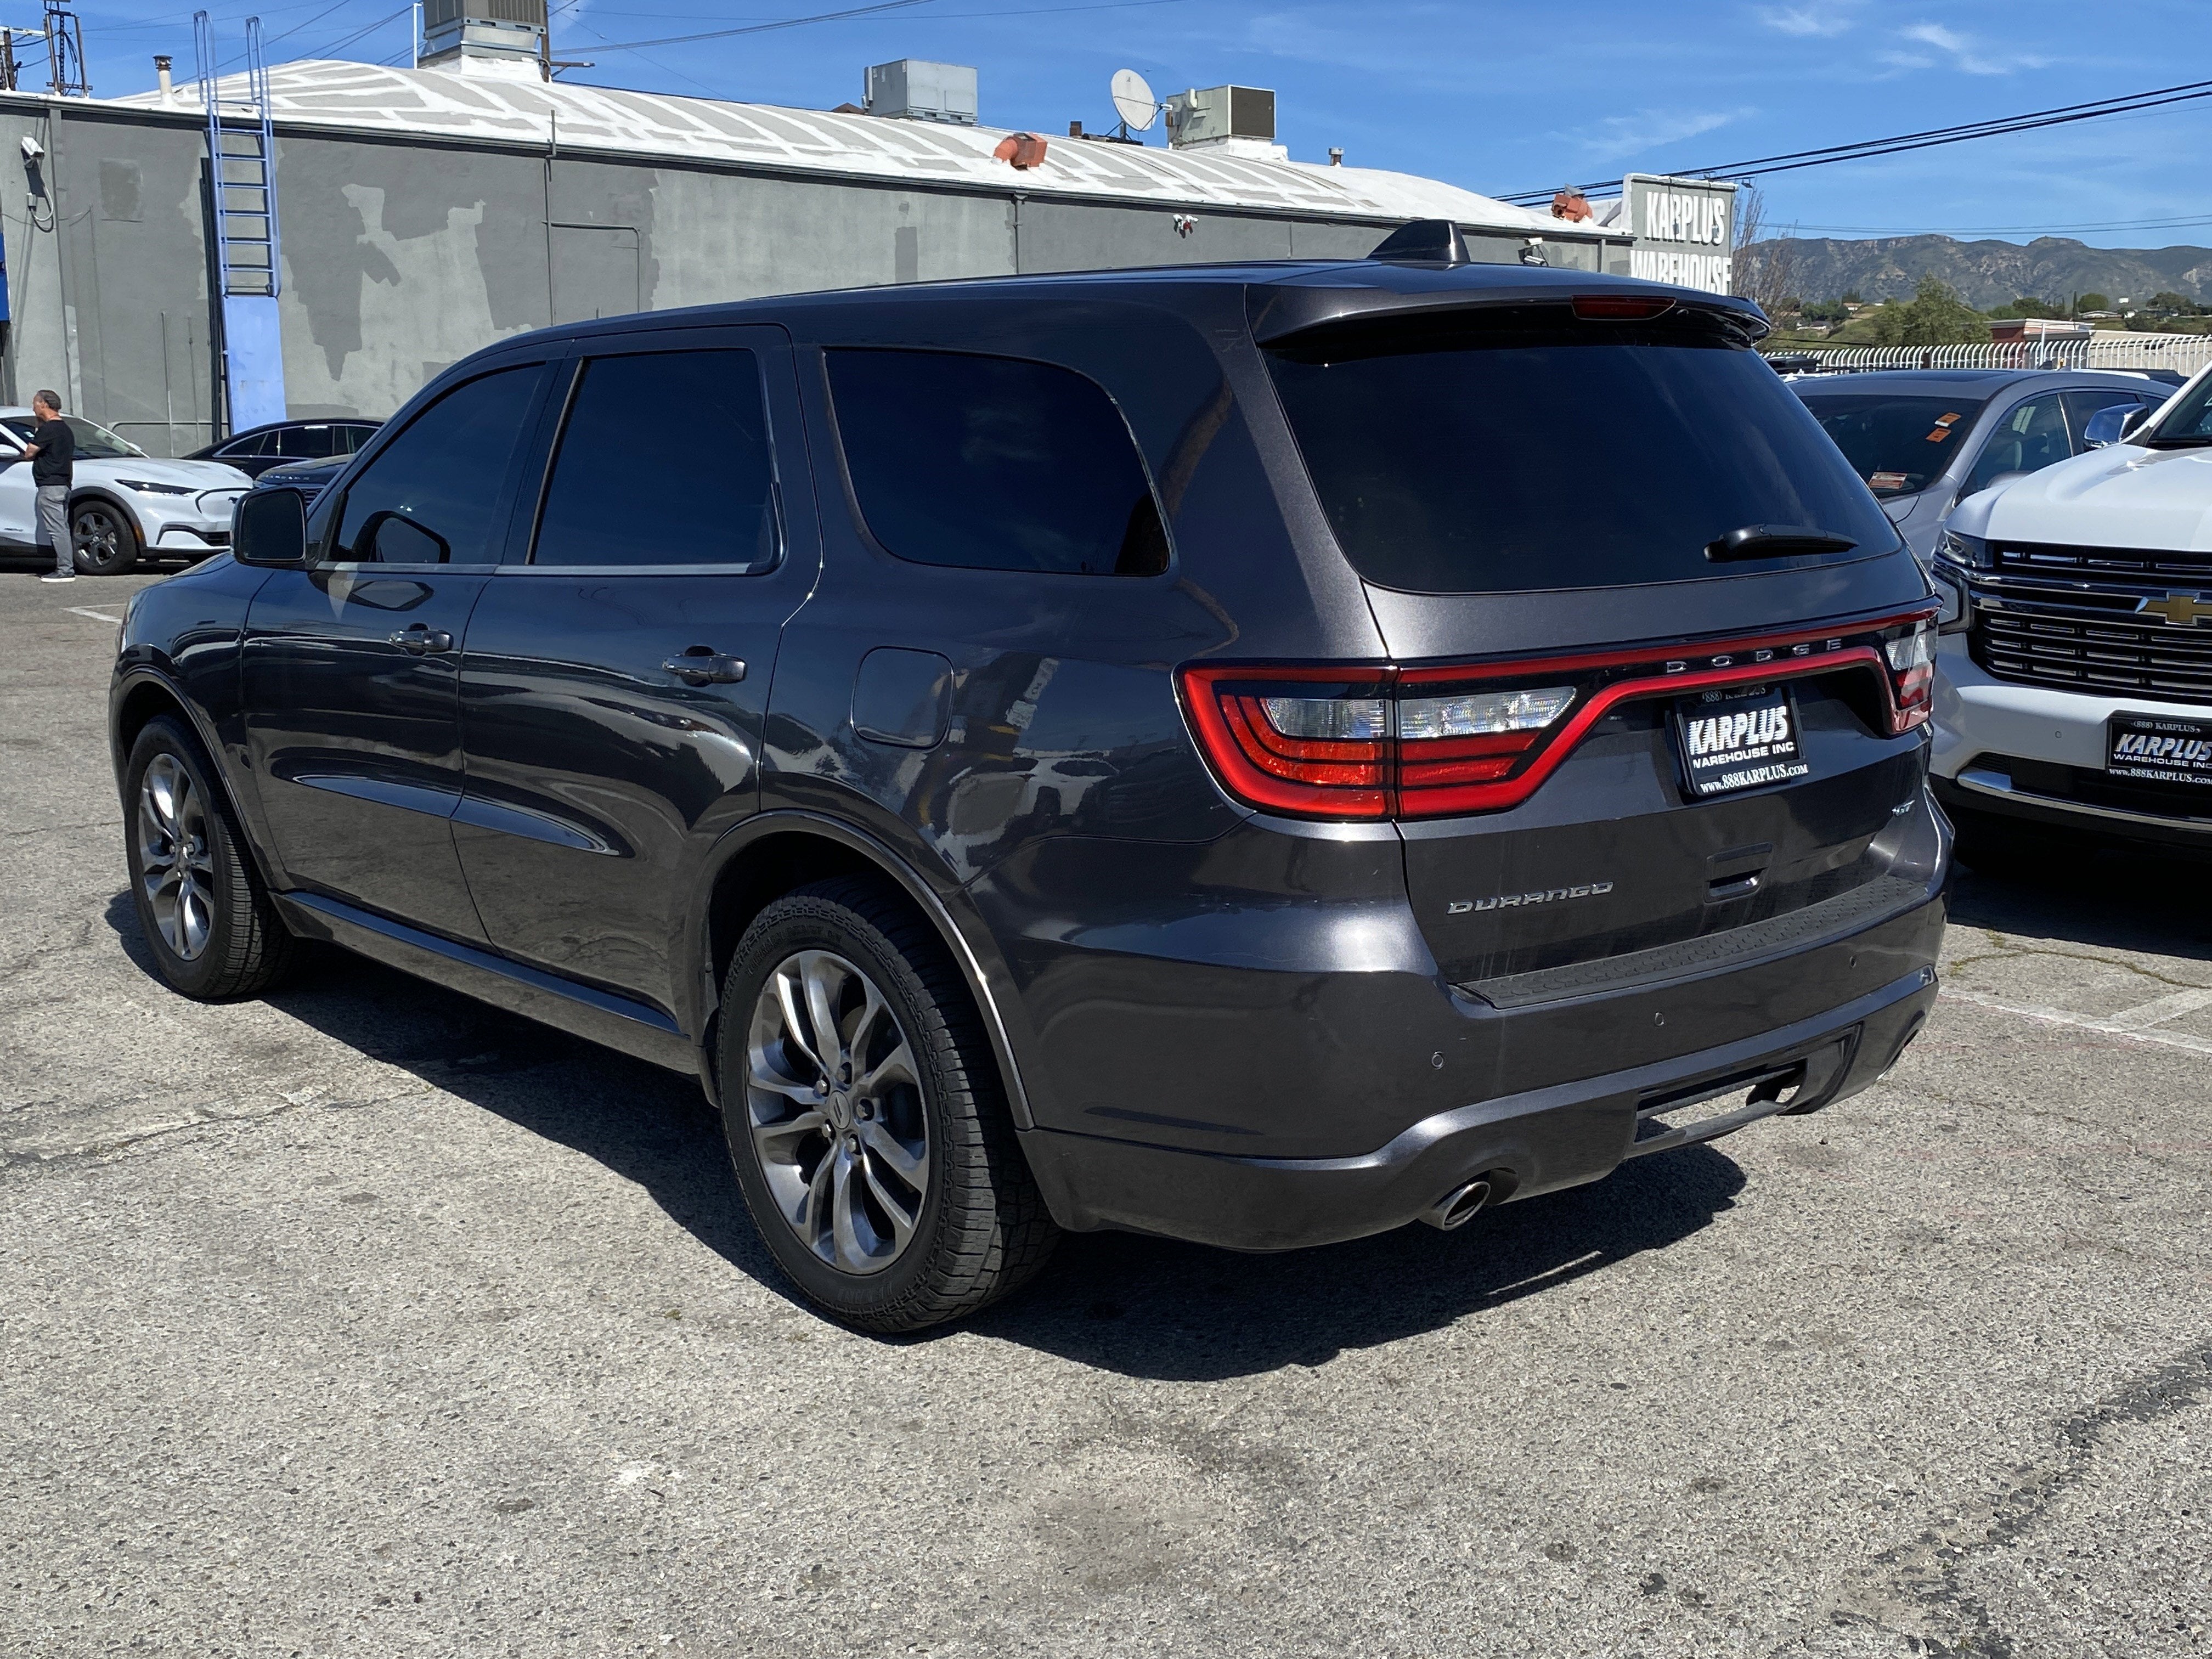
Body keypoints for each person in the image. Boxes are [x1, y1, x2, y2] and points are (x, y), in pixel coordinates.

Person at [23, 390, 77, 583]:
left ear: (44, 404)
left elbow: (29, 453)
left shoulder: (49, 430)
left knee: (57, 529)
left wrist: (39, 427)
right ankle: (66, 566)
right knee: (62, 527)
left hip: (50, 485)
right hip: (63, 484)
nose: (34, 407)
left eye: (35, 403)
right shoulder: (65, 429)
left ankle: (65, 569)